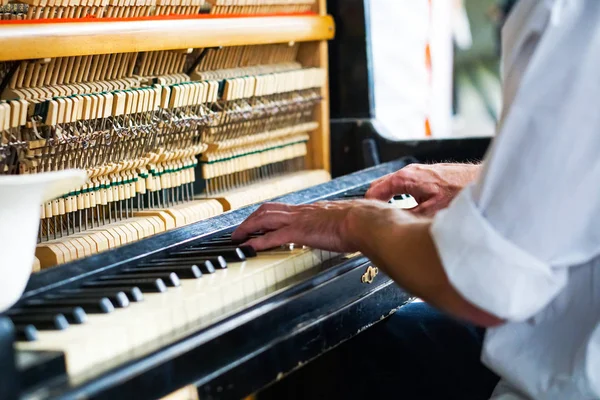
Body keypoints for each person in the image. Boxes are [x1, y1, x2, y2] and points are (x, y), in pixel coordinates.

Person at [234, 0, 600, 399]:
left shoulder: (570, 15)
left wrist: (355, 221)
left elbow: (482, 284)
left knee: (332, 359)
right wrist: (484, 184)